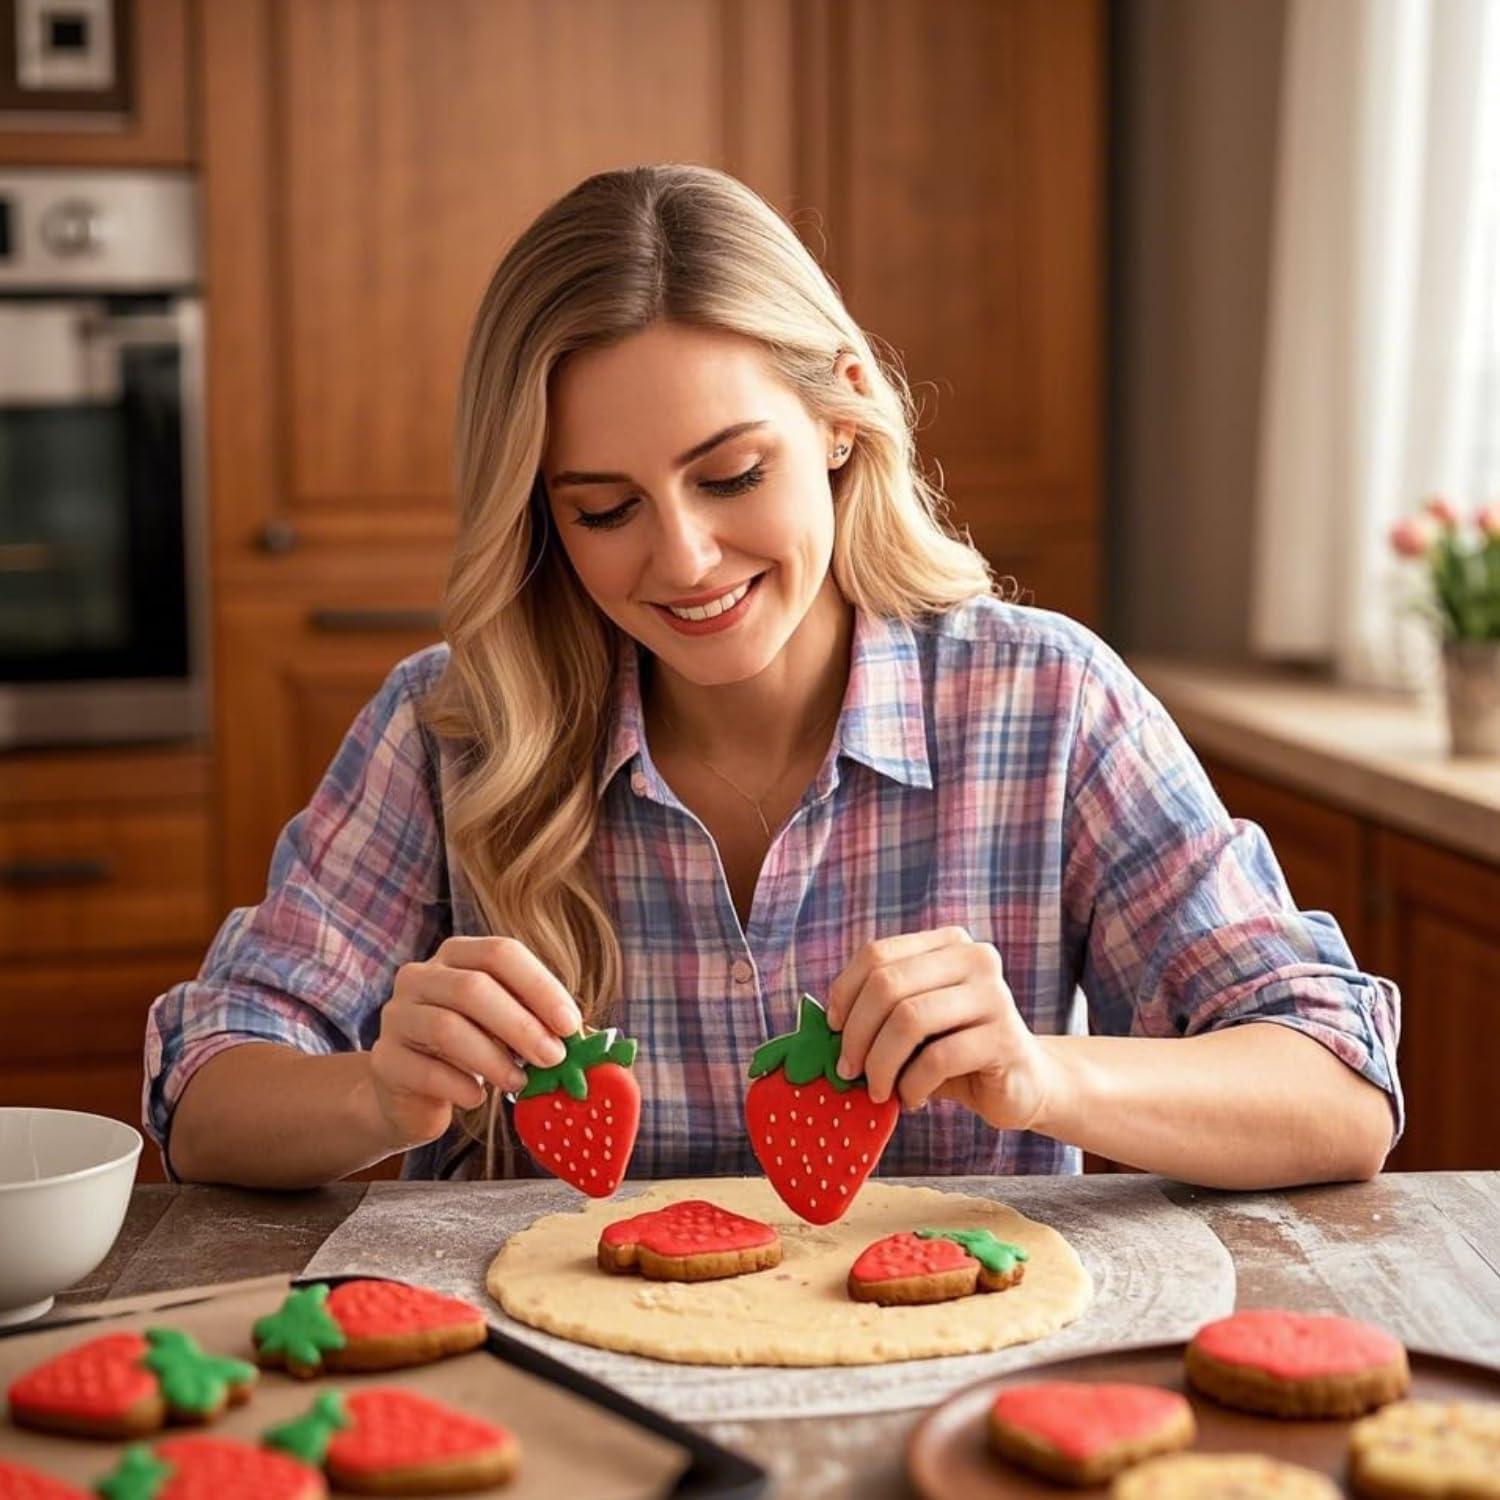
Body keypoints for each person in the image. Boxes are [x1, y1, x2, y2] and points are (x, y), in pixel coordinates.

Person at [146, 163, 1401, 1192]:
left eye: (732, 476)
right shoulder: (451, 729)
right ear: (540, 517)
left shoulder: (1049, 702)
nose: (683, 559)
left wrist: (1045, 1077)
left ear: (844, 414)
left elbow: (1338, 1088)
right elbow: (205, 1092)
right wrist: (372, 1093)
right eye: (603, 509)